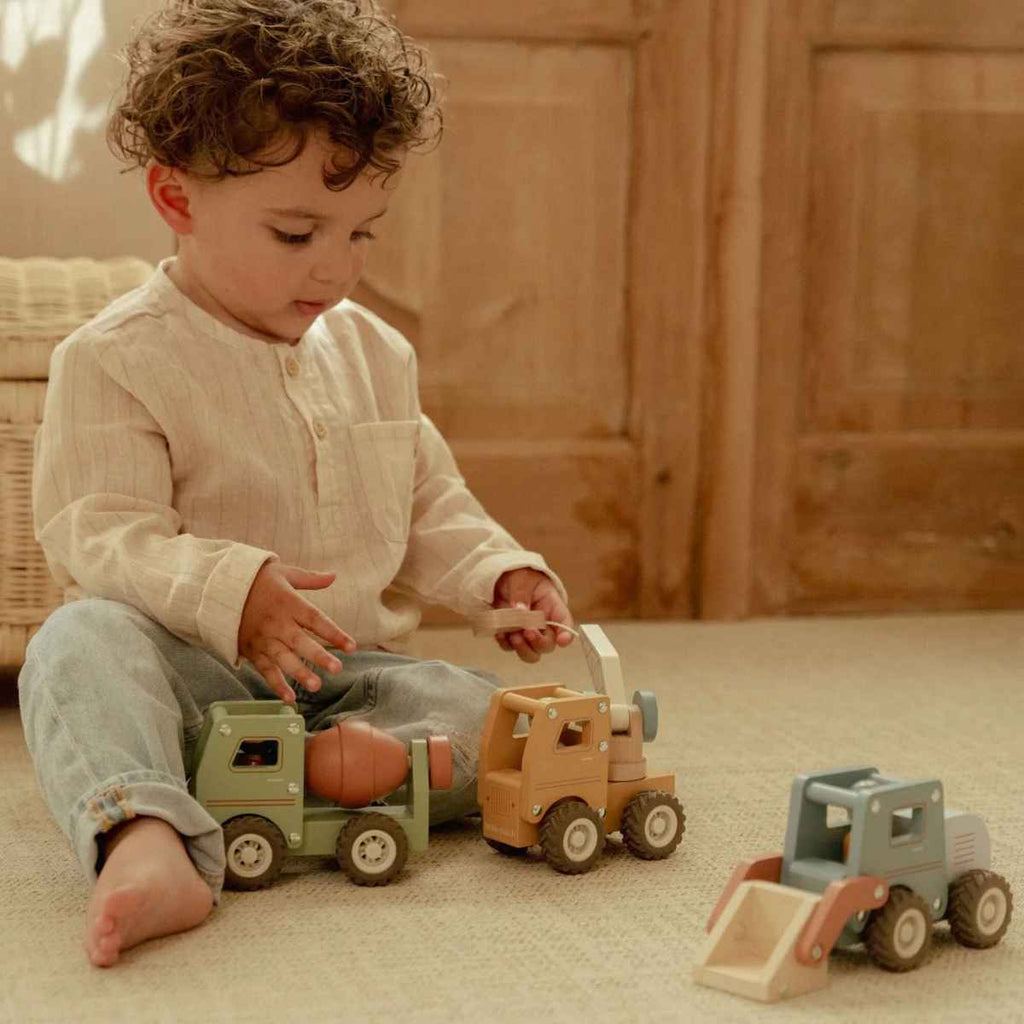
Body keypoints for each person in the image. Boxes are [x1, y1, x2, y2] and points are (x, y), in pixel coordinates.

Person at [17, 0, 574, 969]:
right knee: (74, 651)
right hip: (190, 679)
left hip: (349, 680)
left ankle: (296, 782)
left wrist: (498, 579)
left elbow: (427, 500)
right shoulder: (113, 359)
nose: (335, 269)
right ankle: (146, 833)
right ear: (177, 199)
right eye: (295, 233)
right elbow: (99, 534)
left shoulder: (375, 352)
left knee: (499, 721)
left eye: (361, 235)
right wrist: (234, 594)